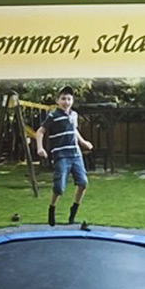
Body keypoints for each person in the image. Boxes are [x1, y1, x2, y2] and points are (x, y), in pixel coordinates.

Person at [35, 85, 93, 226]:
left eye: (69, 99)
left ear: (72, 101)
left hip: (76, 154)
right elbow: (40, 132)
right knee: (59, 188)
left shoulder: (74, 115)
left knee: (83, 183)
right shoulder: (53, 115)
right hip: (61, 155)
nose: (66, 102)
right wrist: (40, 148)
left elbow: (74, 131)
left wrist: (84, 142)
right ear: (57, 101)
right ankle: (52, 208)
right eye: (63, 99)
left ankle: (73, 212)